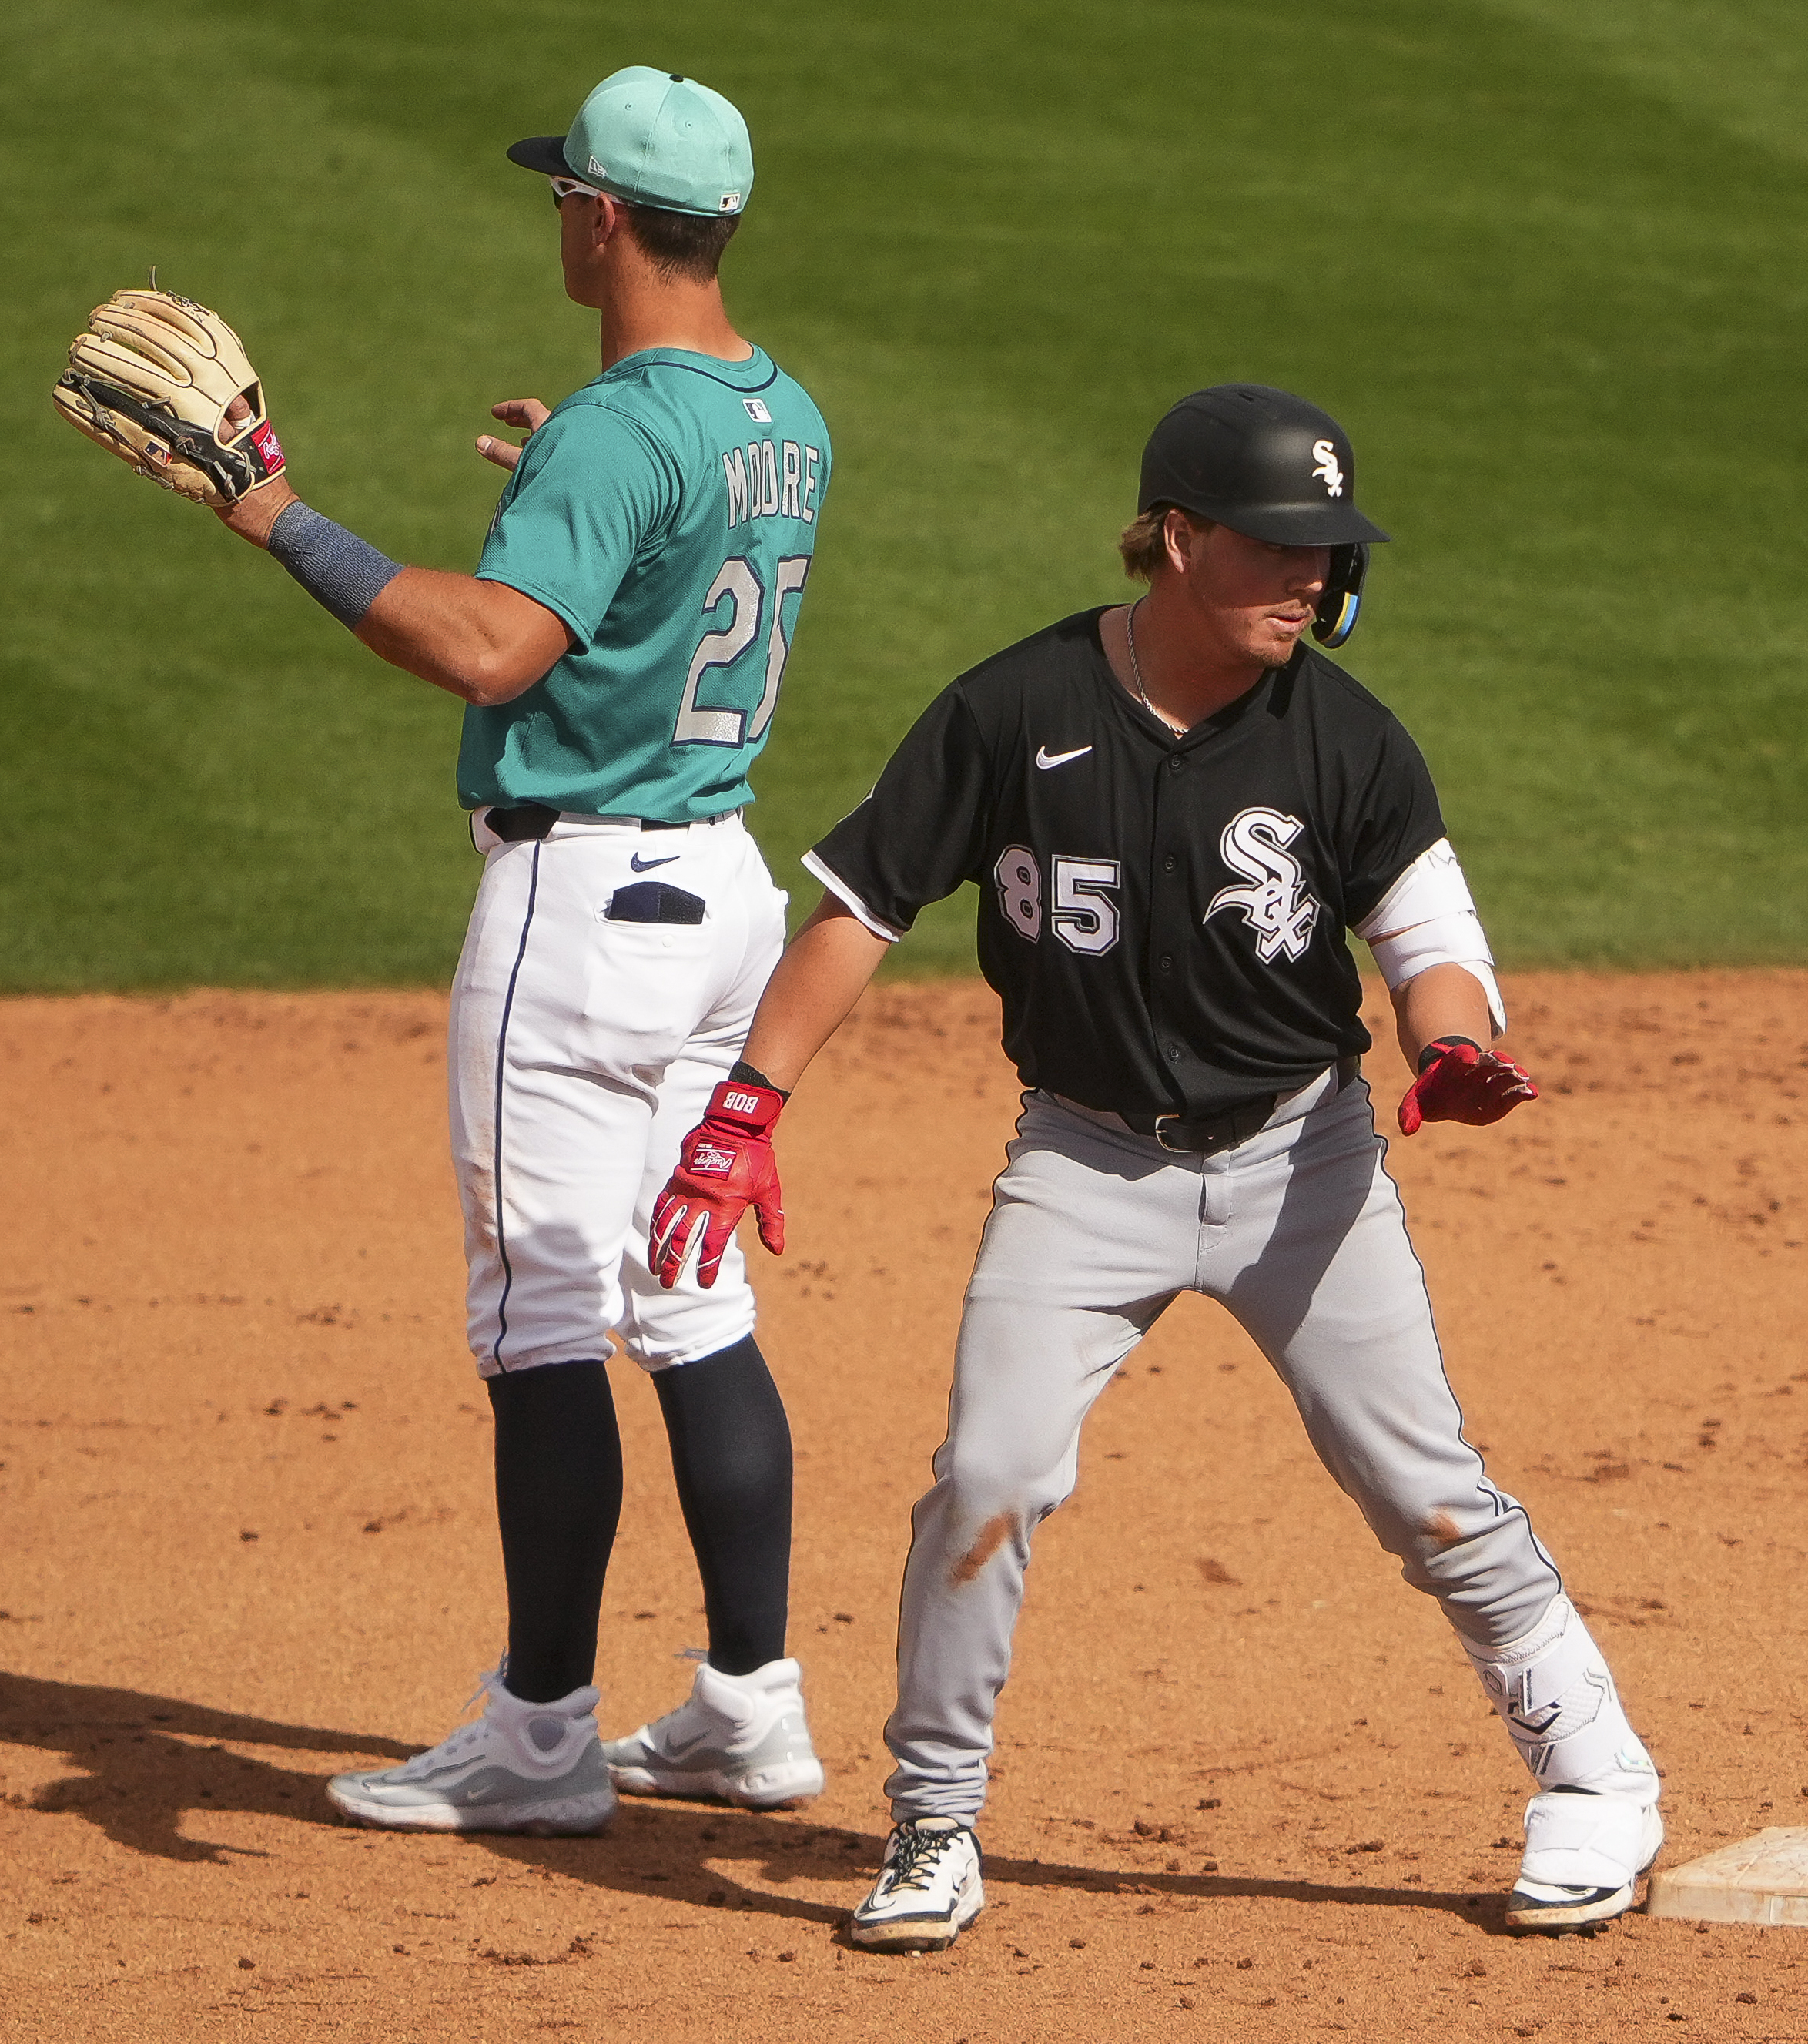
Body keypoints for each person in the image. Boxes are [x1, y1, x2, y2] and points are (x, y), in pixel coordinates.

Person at [645, 384, 1665, 1943]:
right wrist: (742, 1109)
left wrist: (1451, 1048)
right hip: (1083, 1164)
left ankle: (1593, 1771)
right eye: (1277, 549)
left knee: (1420, 1489)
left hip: (1301, 1160)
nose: (1310, 581)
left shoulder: (1346, 737)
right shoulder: (1012, 708)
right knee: (985, 1477)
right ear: (1176, 540)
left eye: (1326, 553)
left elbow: (1426, 937)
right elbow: (859, 904)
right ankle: (931, 1825)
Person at [60, 65, 834, 1835]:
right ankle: (748, 1707)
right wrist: (572, 476)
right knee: (692, 1300)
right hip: (718, 895)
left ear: (604, 219)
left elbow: (489, 650)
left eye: (567, 192)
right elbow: (664, 539)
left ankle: (540, 1741)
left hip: (577, 920)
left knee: (546, 1317)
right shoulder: (773, 411)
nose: (558, 212)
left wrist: (269, 509)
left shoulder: (617, 437)